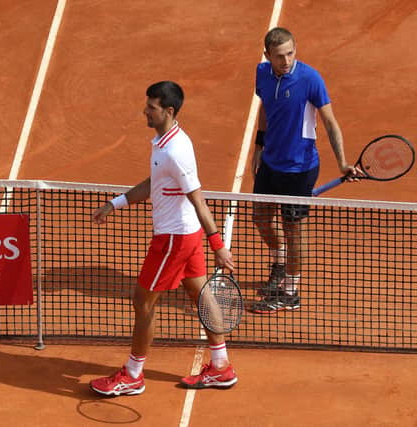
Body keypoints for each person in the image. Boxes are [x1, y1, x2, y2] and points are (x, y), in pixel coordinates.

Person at [89, 81, 236, 396]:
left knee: (142, 301)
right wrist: (114, 204)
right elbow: (153, 183)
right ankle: (221, 366)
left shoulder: (176, 151)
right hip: (186, 235)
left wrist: (219, 246)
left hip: (174, 240)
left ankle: (132, 374)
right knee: (200, 293)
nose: (145, 110)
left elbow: (198, 200)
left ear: (168, 111)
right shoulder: (163, 142)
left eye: (151, 107)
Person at [250, 27, 361, 314]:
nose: (286, 60)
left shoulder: (310, 78)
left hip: (300, 168)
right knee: (260, 218)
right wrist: (258, 148)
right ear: (268, 56)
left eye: (290, 53)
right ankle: (279, 264)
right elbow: (265, 108)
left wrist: (343, 163)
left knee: (293, 230)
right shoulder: (262, 74)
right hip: (271, 162)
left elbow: (330, 122)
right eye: (279, 56)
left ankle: (290, 291)